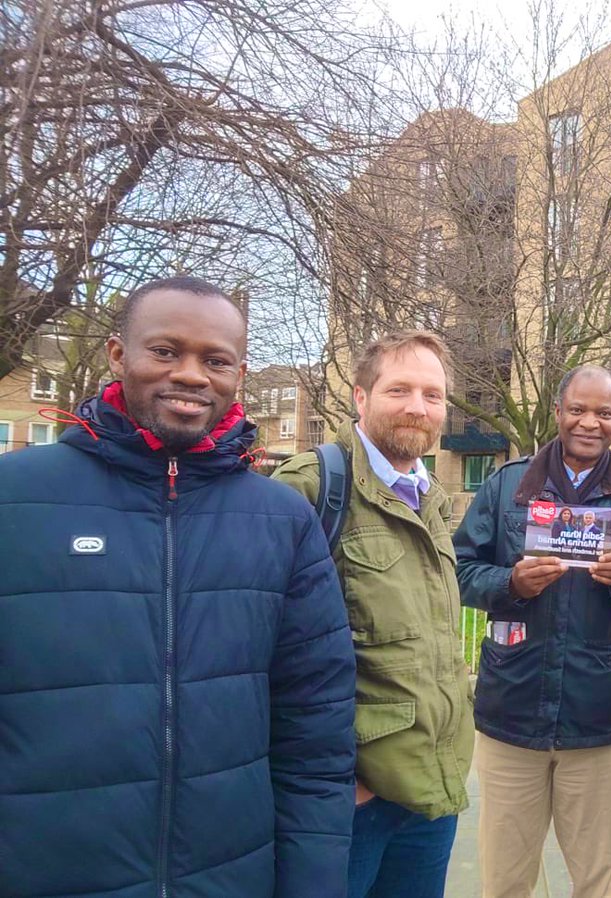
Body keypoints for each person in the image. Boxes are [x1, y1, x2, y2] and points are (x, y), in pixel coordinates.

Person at [0, 277, 357, 897]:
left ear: (238, 374)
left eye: (215, 360)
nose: (192, 374)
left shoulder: (283, 521)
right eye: (165, 351)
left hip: (229, 876)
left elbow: (316, 735)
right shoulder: (15, 498)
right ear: (118, 355)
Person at [273, 331, 474, 898]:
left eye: (433, 395)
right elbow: (261, 654)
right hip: (348, 804)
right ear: (361, 398)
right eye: (400, 389)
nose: (418, 406)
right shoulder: (310, 487)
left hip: (431, 792)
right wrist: (342, 778)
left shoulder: (431, 497)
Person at [454, 364, 611, 898]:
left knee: (600, 882)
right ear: (557, 412)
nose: (590, 423)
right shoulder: (506, 487)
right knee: (504, 881)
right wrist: (511, 584)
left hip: (593, 718)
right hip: (511, 715)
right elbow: (458, 571)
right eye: (578, 409)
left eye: (604, 413)